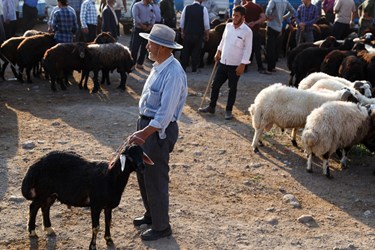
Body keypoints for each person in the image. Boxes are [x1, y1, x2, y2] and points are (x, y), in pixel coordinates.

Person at [126, 24, 187, 241]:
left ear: (161, 47)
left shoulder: (173, 73)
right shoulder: (159, 65)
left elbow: (164, 115)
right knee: (143, 175)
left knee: (155, 178)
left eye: (150, 42)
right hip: (147, 128)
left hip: (156, 132)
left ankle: (162, 226)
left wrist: (144, 132)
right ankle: (151, 215)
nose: (147, 46)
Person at [198, 5, 252, 120]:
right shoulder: (228, 26)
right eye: (233, 15)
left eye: (237, 16)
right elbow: (223, 40)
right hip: (223, 62)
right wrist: (218, 51)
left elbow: (248, 50)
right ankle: (211, 107)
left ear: (243, 16)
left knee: (232, 89)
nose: (235, 18)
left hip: (235, 65)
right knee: (215, 85)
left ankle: (228, 110)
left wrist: (242, 64)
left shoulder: (247, 32)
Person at [265, 0, 295, 74]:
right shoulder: (285, 1)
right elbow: (292, 11)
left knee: (270, 48)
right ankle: (273, 66)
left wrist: (268, 16)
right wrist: (284, 17)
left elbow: (268, 10)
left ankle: (269, 68)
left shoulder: (273, 1)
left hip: (272, 26)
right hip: (279, 27)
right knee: (275, 47)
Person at [179, 0, 210, 73]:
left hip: (187, 33)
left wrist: (182, 32)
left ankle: (184, 66)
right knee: (196, 51)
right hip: (198, 34)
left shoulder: (186, 8)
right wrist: (207, 34)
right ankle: (194, 68)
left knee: (186, 51)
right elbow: (206, 24)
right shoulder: (203, 9)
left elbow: (182, 22)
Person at [243, 0, 267, 74]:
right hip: (255, 31)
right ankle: (260, 67)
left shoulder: (243, 7)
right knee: (257, 50)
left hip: (246, 31)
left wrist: (246, 23)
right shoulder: (258, 7)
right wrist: (255, 22)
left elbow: (240, 18)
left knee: (246, 49)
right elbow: (263, 18)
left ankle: (245, 67)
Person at [131, 0, 155, 69]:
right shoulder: (137, 5)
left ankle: (140, 63)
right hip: (138, 29)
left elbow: (153, 17)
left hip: (147, 28)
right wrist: (142, 25)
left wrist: (150, 26)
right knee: (135, 47)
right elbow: (135, 16)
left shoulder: (151, 7)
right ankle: (132, 64)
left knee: (144, 48)